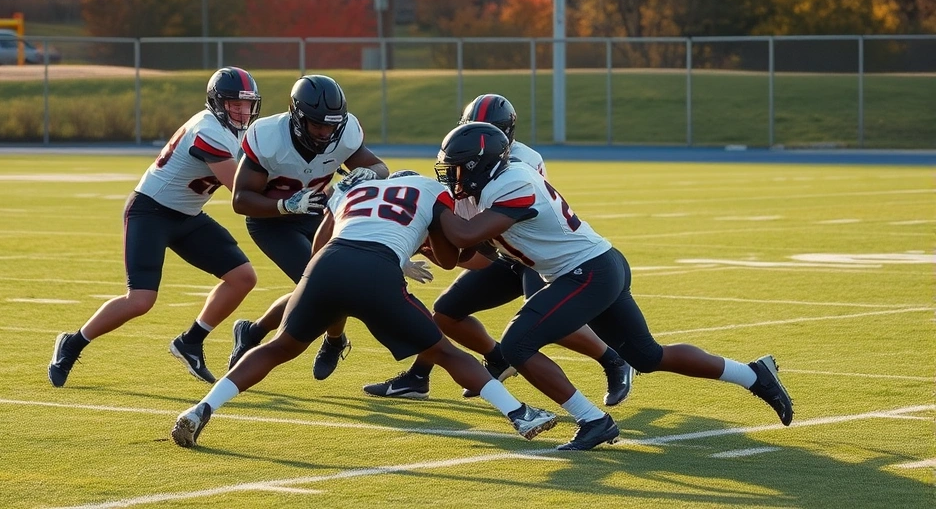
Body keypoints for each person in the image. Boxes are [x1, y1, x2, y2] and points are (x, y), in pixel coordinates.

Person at [432, 122, 795, 451]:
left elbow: (466, 234)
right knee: (648, 356)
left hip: (589, 271)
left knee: (517, 343)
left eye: (460, 166)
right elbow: (464, 253)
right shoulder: (481, 191)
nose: (454, 175)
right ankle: (753, 375)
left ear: (482, 163)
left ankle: (593, 421)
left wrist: (433, 210)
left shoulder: (513, 180)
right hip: (590, 268)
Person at [171, 170, 559, 447]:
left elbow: (317, 250)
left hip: (328, 264)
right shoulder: (427, 188)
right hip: (376, 269)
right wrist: (408, 247)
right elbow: (446, 258)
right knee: (443, 351)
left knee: (278, 348)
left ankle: (203, 407)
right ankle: (519, 413)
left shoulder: (350, 193)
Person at [363, 94, 634, 406]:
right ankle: (486, 361)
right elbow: (458, 210)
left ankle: (613, 361)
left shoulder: (520, 163)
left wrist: (440, 233)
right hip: (499, 245)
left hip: (528, 249)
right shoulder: (462, 154)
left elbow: (477, 228)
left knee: (542, 317)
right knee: (447, 312)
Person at [48, 67, 262, 387]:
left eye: (247, 105)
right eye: (235, 104)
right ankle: (72, 343)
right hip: (151, 211)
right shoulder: (207, 130)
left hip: (186, 215)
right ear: (217, 103)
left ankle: (190, 342)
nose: (242, 111)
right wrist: (287, 201)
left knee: (243, 277)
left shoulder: (237, 131)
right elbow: (240, 189)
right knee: (140, 300)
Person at [228, 74, 389, 381]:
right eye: (318, 124)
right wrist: (284, 205)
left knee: (322, 284)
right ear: (297, 117)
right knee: (326, 283)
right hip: (271, 221)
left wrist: (369, 174)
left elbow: (380, 166)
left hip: (317, 213)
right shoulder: (269, 137)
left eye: (332, 125)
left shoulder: (344, 134)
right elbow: (241, 199)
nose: (326, 132)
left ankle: (254, 331)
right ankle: (333, 341)